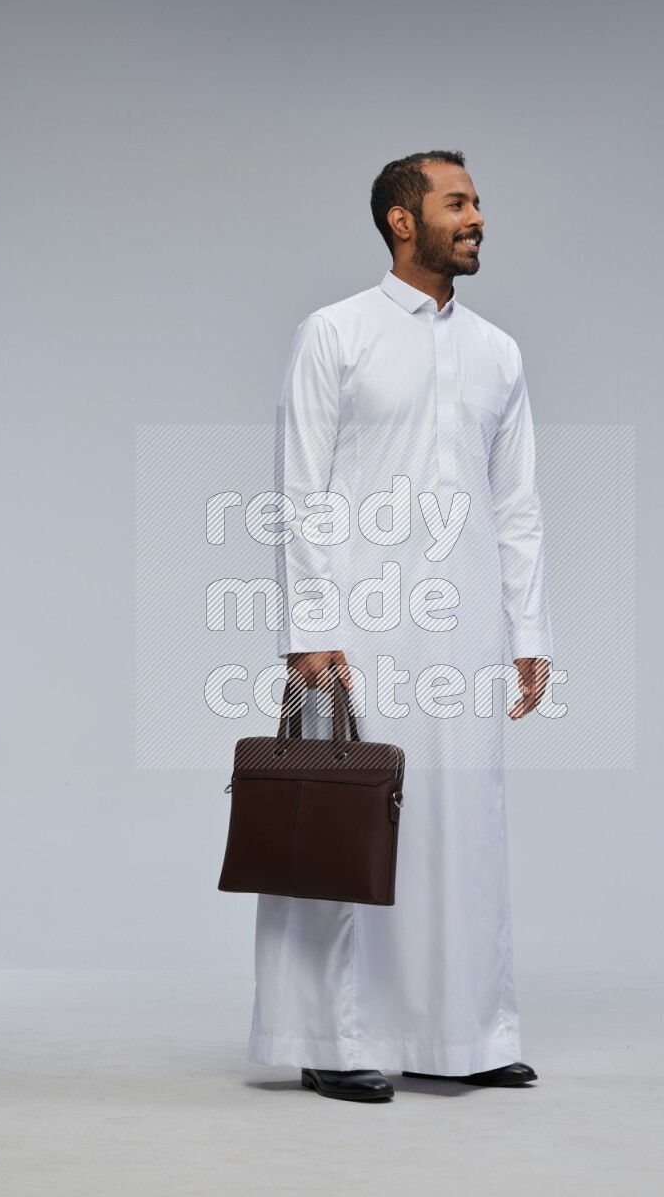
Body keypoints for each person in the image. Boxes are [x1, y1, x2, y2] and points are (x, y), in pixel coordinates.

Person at [247, 150, 554, 1102]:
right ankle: (330, 1037)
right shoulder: (336, 332)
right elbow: (302, 489)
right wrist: (309, 628)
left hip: (464, 633)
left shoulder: (499, 352)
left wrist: (528, 633)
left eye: (478, 201)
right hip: (359, 626)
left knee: (461, 828)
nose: (478, 216)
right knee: (347, 818)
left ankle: (460, 1033)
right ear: (402, 220)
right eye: (457, 202)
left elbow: (518, 506)